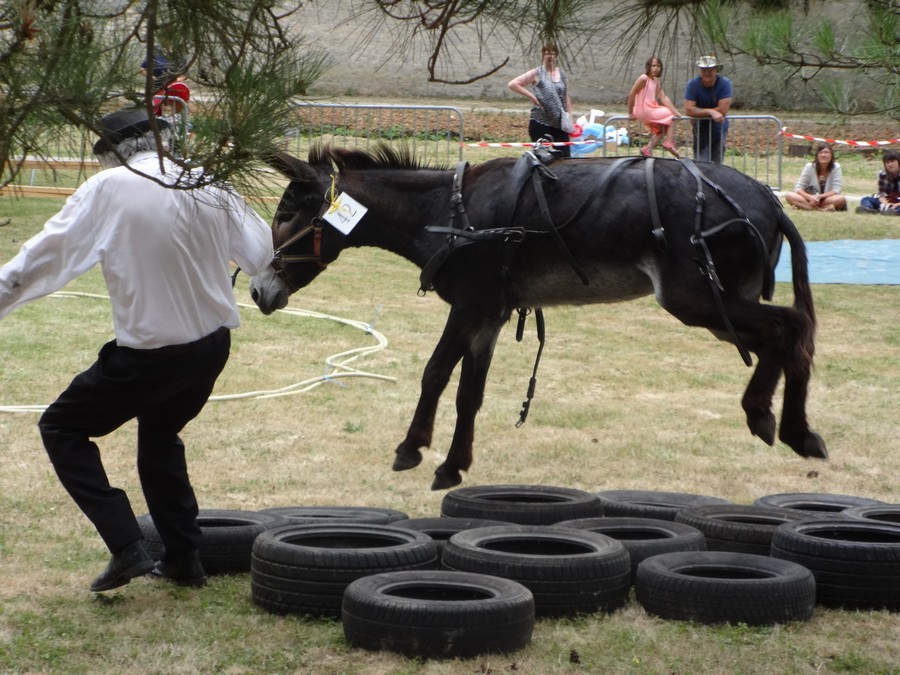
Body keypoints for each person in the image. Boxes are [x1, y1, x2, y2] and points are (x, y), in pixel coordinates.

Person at [0, 108, 274, 593]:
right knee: (160, 437)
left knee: (62, 426)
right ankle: (184, 559)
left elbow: (42, 259)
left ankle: (127, 546)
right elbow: (261, 256)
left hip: (152, 355)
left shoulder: (108, 188)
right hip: (211, 346)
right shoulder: (206, 178)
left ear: (110, 154)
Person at [507, 42, 574, 158]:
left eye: (552, 53)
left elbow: (566, 96)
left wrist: (570, 118)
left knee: (565, 157)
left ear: (556, 56)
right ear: (543, 55)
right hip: (540, 121)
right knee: (542, 157)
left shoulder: (561, 73)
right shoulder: (536, 72)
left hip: (559, 123)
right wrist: (532, 97)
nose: (549, 56)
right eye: (546, 53)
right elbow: (513, 84)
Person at [627, 55, 682, 158]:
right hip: (644, 108)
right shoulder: (644, 78)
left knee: (662, 129)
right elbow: (632, 94)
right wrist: (630, 112)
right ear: (648, 67)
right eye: (653, 66)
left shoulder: (655, 81)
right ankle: (669, 142)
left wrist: (676, 111)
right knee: (671, 116)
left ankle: (647, 149)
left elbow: (663, 97)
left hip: (650, 108)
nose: (656, 68)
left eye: (658, 66)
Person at [684, 55, 733, 163]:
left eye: (710, 69)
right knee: (700, 161)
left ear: (716, 70)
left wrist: (698, 112)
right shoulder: (693, 84)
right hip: (699, 128)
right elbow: (688, 110)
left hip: (718, 128)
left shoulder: (725, 84)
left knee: (717, 162)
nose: (706, 72)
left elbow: (722, 110)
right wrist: (711, 111)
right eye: (703, 69)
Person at [783, 142, 847, 212]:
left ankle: (804, 207)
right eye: (821, 152)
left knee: (841, 199)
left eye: (826, 152)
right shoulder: (809, 167)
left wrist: (820, 197)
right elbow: (798, 188)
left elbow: (836, 190)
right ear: (817, 155)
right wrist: (810, 197)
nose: (823, 155)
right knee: (788, 195)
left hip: (826, 200)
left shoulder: (836, 167)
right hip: (809, 199)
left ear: (831, 155)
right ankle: (820, 210)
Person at [857, 149, 900, 215]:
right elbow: (882, 193)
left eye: (892, 161)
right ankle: (868, 209)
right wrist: (885, 203)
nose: (890, 164)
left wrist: (897, 204)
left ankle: (894, 211)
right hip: (889, 200)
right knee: (866, 199)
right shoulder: (883, 174)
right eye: (887, 162)